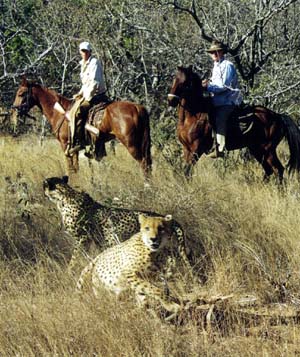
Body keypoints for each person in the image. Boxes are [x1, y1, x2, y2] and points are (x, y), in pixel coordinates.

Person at [202, 40, 242, 158]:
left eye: (216, 51)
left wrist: (207, 86)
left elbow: (224, 86)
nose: (214, 54)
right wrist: (208, 83)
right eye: (212, 52)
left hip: (228, 101)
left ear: (222, 52)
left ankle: (220, 148)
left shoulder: (227, 65)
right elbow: (216, 83)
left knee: (220, 118)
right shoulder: (216, 66)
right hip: (217, 101)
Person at [70, 41, 107, 153]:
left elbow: (95, 82)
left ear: (90, 51)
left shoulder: (94, 62)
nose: (84, 53)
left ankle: (80, 141)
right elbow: (86, 83)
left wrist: (87, 98)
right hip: (87, 93)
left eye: (86, 51)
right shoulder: (83, 64)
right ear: (80, 52)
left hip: (96, 95)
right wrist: (80, 93)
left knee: (78, 111)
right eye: (82, 51)